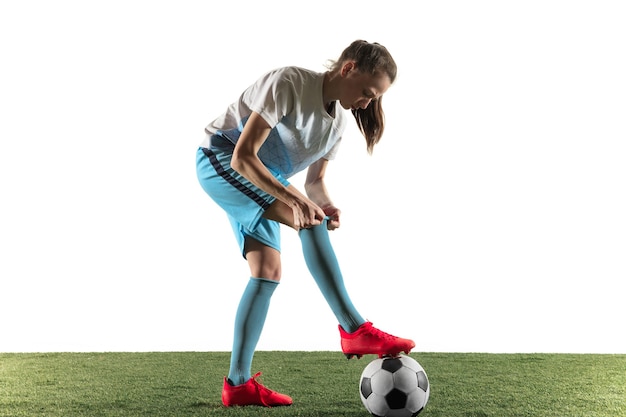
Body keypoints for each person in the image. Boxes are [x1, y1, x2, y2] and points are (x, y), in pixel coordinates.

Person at [196, 39, 415, 408]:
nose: (368, 103)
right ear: (347, 68)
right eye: (367, 91)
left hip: (264, 178)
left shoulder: (338, 125)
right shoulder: (291, 83)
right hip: (221, 158)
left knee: (267, 271)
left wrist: (325, 204)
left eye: (375, 98)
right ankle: (353, 328)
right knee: (306, 218)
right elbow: (242, 156)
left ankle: (238, 385)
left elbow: (314, 181)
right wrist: (299, 202)